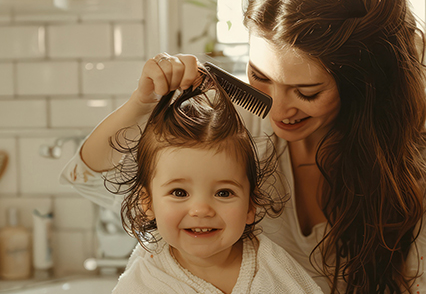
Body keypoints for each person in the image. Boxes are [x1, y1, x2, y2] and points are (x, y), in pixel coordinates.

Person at [60, 0, 426, 292]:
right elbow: (94, 181)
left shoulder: (423, 165)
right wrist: (141, 104)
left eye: (307, 92)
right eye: (259, 77)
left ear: (363, 83)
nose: (277, 110)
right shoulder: (235, 128)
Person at [98, 69, 322, 293]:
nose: (201, 210)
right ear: (148, 204)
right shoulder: (144, 282)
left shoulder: (275, 271)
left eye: (223, 193)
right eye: (179, 192)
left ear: (250, 206)